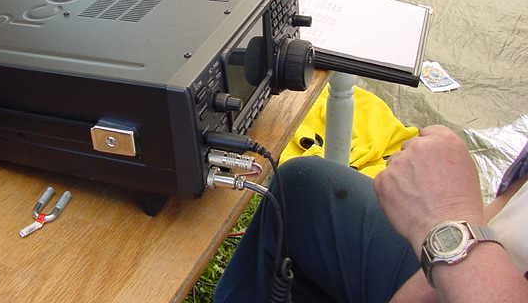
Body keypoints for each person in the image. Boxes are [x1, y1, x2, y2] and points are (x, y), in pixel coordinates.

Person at [214, 125, 528, 302]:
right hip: (487, 273)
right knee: (305, 188)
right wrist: (451, 245)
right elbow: (503, 212)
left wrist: (446, 222)